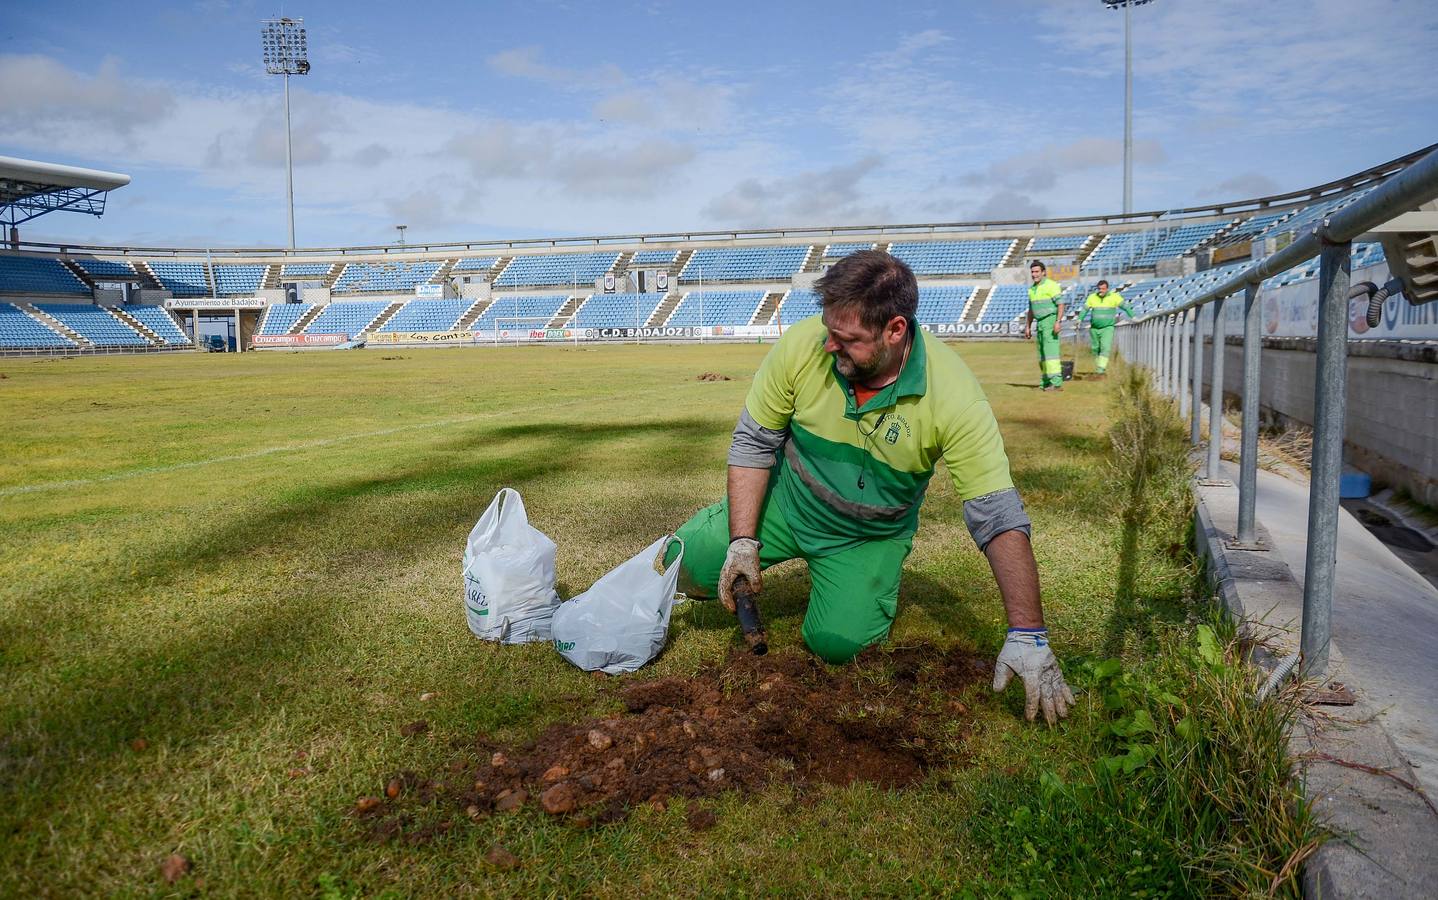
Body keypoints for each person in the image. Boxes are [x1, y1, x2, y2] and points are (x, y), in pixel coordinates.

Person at [667, 250, 1074, 724]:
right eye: (828, 332)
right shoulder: (803, 346)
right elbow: (754, 442)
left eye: (847, 339)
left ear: (895, 330)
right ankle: (718, 547)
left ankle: (851, 584)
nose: (828, 347)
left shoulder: (955, 395)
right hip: (786, 503)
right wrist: (741, 541)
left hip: (867, 536)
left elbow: (996, 514)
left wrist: (1028, 633)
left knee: (838, 644)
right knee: (683, 560)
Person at [1078, 279, 1134, 377]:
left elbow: (1125, 307)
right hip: (1094, 328)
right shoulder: (1092, 297)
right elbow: (1085, 310)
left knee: (1105, 348)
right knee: (1095, 349)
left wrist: (1133, 316)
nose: (1101, 291)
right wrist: (1079, 320)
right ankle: (1098, 367)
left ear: (1107, 289)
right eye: (1099, 289)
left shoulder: (1114, 297)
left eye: (1103, 289)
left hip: (1107, 328)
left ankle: (1101, 369)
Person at [1024, 260, 1065, 392]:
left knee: (1051, 354)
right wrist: (1028, 326)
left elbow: (1061, 304)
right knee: (1042, 355)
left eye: (1036, 271)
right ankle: (1046, 382)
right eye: (1032, 272)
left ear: (1043, 272)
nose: (1034, 274)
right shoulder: (1031, 289)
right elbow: (1031, 310)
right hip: (1039, 323)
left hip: (1050, 321)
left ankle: (1056, 383)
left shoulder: (1051, 285)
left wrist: (1058, 321)